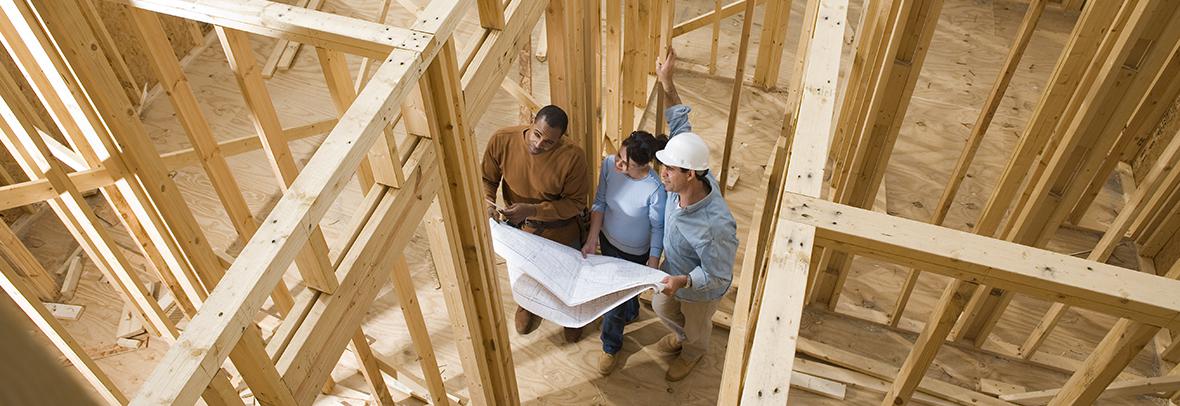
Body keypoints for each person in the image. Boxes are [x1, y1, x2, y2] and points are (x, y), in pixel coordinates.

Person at [650, 49, 738, 382]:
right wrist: (667, 82)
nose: (662, 173)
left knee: (698, 327)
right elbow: (680, 124)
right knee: (661, 308)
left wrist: (683, 281)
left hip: (699, 290)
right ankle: (680, 336)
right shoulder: (691, 173)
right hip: (673, 273)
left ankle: (693, 353)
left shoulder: (714, 227)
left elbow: (717, 275)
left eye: (669, 169)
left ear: (689, 174)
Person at [482, 105, 591, 343]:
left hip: (560, 232)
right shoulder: (503, 140)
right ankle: (529, 305)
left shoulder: (573, 157)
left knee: (566, 281)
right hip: (520, 231)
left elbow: (575, 204)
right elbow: (487, 179)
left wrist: (532, 210)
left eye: (549, 142)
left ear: (561, 140)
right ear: (532, 123)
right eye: (537, 134)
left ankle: (569, 314)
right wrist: (488, 203)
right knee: (525, 274)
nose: (539, 145)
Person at [581, 131, 668, 375]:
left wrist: (652, 261)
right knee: (614, 303)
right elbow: (600, 202)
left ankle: (622, 326)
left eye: (625, 163)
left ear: (642, 165)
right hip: (607, 241)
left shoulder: (655, 189)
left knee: (626, 299)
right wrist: (591, 241)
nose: (618, 163)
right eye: (619, 155)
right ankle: (611, 345)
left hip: (636, 253)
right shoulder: (609, 164)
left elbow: (657, 227)